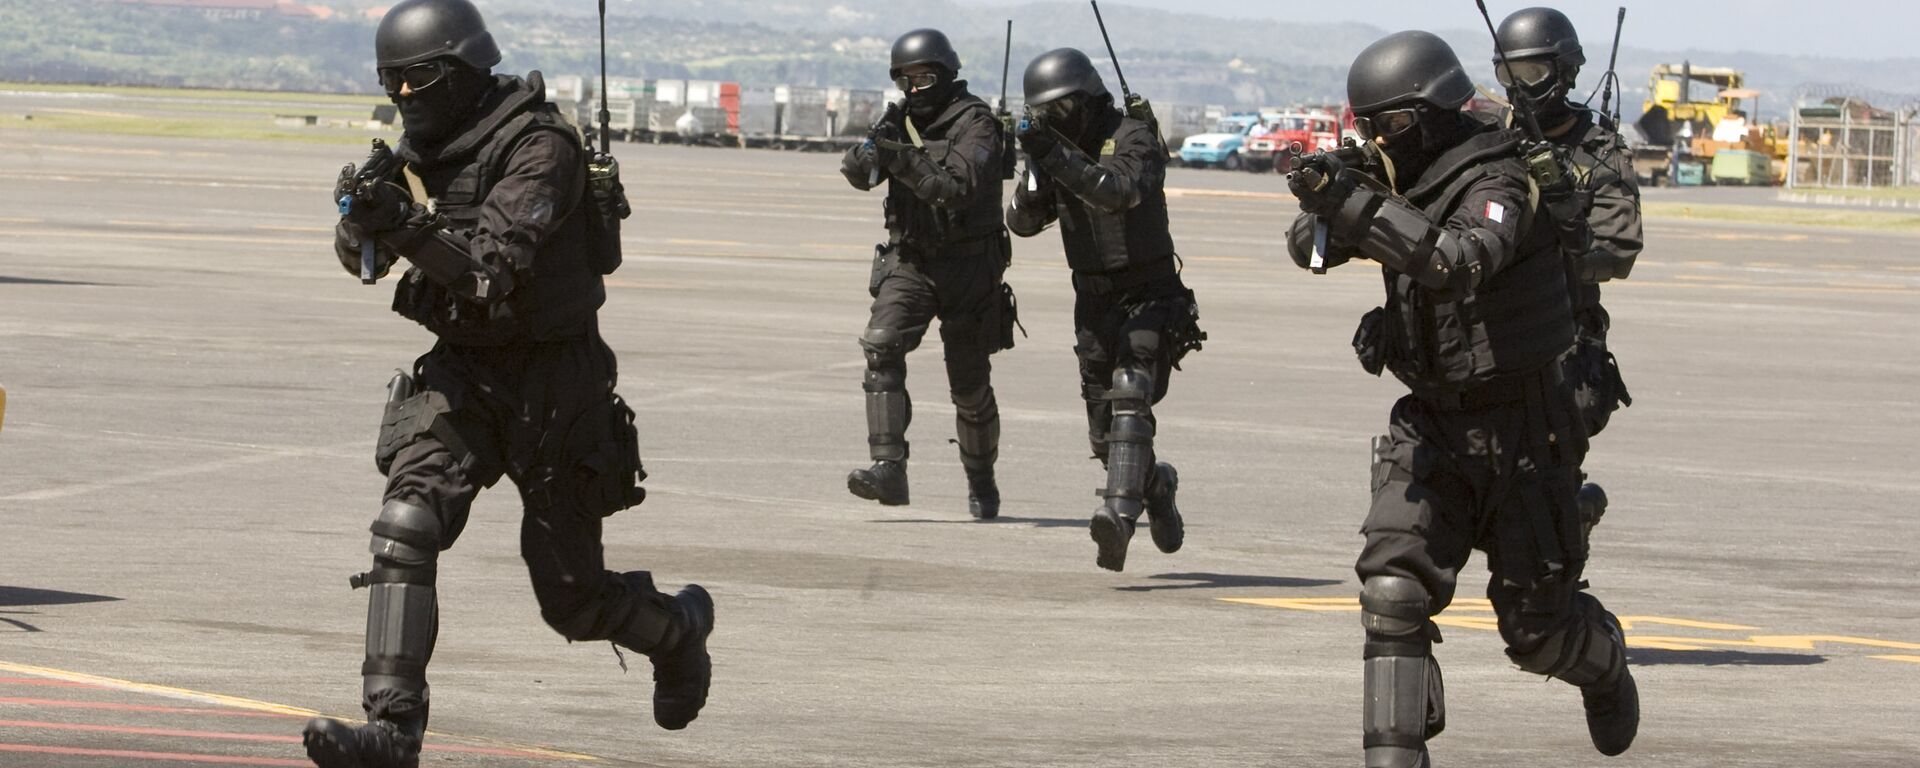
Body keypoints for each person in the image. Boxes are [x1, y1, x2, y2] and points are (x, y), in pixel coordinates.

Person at [303, 1, 713, 764]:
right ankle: (394, 730)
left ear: (461, 70)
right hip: (465, 372)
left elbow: (488, 273)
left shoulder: (539, 147)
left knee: (572, 598)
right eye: (390, 82)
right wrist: (360, 219)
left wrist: (403, 223)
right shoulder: (423, 148)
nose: (402, 98)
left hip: (558, 383)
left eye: (416, 79)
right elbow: (362, 263)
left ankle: (680, 631)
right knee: (406, 522)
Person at [1284, 30, 1638, 767]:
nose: (1382, 140)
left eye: (1395, 126)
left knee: (1538, 634)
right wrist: (1331, 190)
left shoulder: (1502, 178)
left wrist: (1356, 201)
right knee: (1392, 593)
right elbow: (1307, 246)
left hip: (1525, 430)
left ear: (1438, 110)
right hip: (1434, 425)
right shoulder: (1399, 172)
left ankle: (1603, 663)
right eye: (1369, 127)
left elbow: (1456, 259)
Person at [1006, 48, 1204, 572]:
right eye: (1047, 114)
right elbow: (1022, 224)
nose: (1056, 121)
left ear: (1088, 96)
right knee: (1103, 437)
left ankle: (1118, 515)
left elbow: (1115, 191)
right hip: (1092, 303)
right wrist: (1032, 170)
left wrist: (1051, 152)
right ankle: (1157, 486)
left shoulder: (1132, 135)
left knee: (1131, 392)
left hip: (1151, 294)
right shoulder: (1055, 150)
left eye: (1062, 109)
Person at [839, 29, 1014, 520]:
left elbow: (954, 187)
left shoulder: (975, 122)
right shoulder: (900, 120)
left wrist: (903, 156)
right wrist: (876, 145)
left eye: (924, 77)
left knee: (969, 388)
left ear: (946, 73)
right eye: (905, 78)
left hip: (969, 268)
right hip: (911, 261)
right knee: (881, 343)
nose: (914, 88)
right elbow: (858, 173)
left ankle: (982, 480)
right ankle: (888, 468)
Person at [1494, 6, 1644, 537]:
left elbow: (1617, 251)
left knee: (1543, 506)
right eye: (1507, 75)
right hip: (1488, 333)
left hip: (1560, 340)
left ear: (1564, 72)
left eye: (1530, 75)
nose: (1519, 90)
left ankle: (1570, 513)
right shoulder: (1487, 136)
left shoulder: (1598, 151)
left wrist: (1563, 214)